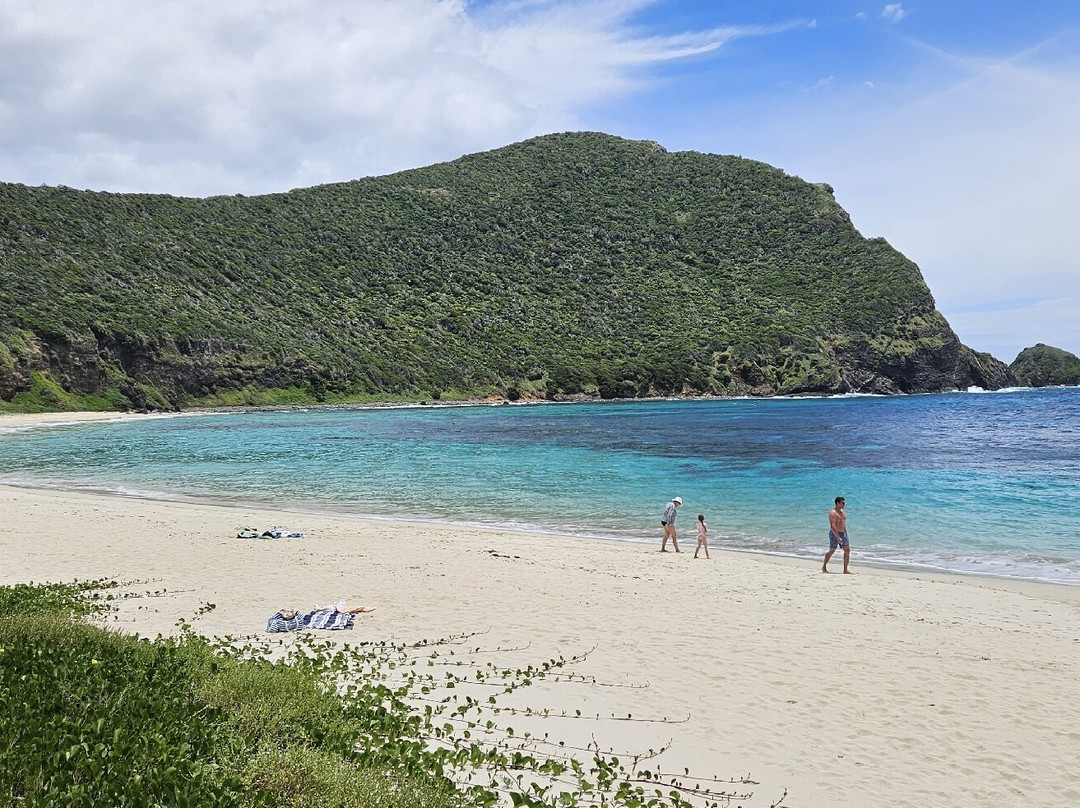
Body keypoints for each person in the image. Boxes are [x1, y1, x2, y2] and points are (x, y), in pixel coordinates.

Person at [822, 496, 851, 573]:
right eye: (843, 503)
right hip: (834, 534)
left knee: (847, 550)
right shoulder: (833, 513)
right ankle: (824, 566)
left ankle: (845, 570)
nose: (844, 505)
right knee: (832, 550)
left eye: (844, 503)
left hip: (843, 533)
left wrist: (846, 534)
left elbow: (843, 524)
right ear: (837, 503)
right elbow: (833, 526)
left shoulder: (842, 512)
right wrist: (838, 537)